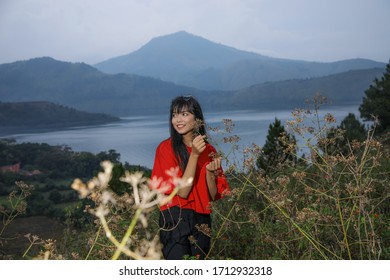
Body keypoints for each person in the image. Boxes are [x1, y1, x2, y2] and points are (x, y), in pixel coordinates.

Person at [151, 95, 230, 260]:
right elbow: (183, 192)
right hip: (175, 216)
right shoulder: (166, 149)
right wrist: (194, 155)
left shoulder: (209, 150)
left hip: (202, 219)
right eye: (174, 115)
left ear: (197, 119)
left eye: (184, 114)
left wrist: (209, 172)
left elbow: (213, 195)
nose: (177, 120)